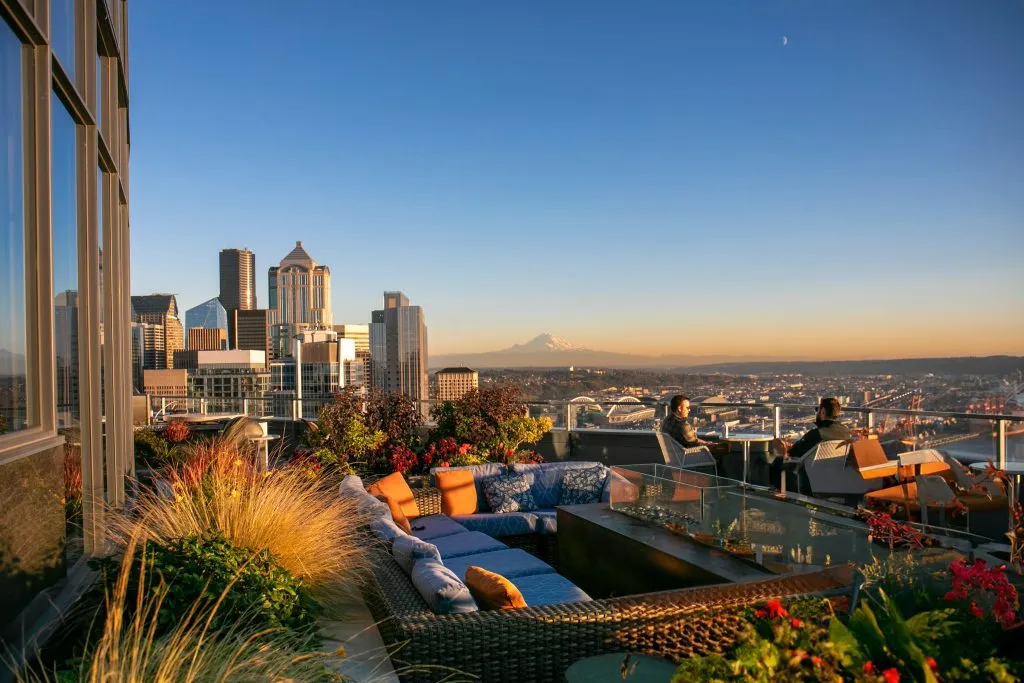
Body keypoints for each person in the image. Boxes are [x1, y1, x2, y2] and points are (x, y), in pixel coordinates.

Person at [772, 397, 852, 462]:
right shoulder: (846, 432)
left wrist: (784, 447)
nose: (817, 413)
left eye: (817, 410)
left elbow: (793, 453)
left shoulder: (817, 433)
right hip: (833, 475)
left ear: (823, 411)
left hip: (807, 476)